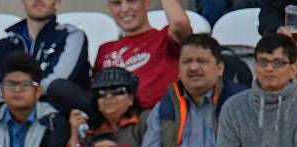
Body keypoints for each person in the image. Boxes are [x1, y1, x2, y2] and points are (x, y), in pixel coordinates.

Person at [47, 0, 192, 115]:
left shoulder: (164, 38)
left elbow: (180, 23)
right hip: (107, 119)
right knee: (58, 88)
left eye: (132, 1)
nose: (124, 9)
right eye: (117, 3)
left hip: (148, 118)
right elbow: (95, 95)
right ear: (109, 7)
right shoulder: (105, 49)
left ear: (147, 2)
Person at [137, 34, 246, 147]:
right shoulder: (165, 105)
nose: (193, 67)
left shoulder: (239, 103)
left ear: (220, 68)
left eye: (201, 61)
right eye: (187, 62)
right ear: (179, 69)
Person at [0, 0, 91, 112]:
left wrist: (12, 92)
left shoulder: (71, 36)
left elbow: (57, 87)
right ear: (23, 2)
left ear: (57, 3)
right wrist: (26, 93)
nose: (38, 0)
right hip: (13, 120)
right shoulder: (5, 45)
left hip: (61, 118)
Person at [62, 67, 148, 147]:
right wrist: (75, 134)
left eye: (118, 91)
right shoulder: (90, 128)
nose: (108, 97)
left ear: (131, 98)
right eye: (101, 93)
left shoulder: (145, 121)